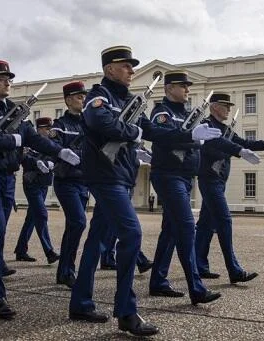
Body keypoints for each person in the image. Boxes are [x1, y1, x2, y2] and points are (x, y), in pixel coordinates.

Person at [69, 46, 221, 336]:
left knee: (97, 241)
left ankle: (80, 302)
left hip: (121, 176)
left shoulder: (128, 100)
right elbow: (102, 124)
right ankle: (126, 311)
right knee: (132, 234)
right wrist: (133, 133)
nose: (131, 70)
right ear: (109, 69)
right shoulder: (98, 98)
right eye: (125, 66)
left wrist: (190, 135)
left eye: (131, 66)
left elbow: (154, 131)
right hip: (105, 176)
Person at [0, 60, 79, 319]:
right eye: (1, 78)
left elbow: (34, 138)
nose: (7, 82)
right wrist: (11, 140)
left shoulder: (16, 111)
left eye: (9, 78)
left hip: (7, 177)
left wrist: (59, 150)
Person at [194, 92, 264, 282]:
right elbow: (212, 147)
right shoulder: (206, 125)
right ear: (214, 107)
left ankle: (199, 265)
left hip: (219, 180)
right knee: (224, 221)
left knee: (206, 224)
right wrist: (236, 150)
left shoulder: (224, 128)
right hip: (209, 178)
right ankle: (234, 270)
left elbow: (245, 143)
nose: (229, 109)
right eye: (225, 106)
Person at [147, 71, 225, 301]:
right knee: (187, 227)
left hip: (184, 177)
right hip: (168, 175)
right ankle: (196, 288)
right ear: (169, 88)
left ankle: (158, 281)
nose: (187, 90)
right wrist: (191, 134)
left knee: (170, 231)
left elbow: (206, 140)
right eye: (183, 86)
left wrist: (240, 149)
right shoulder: (162, 112)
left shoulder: (191, 114)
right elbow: (160, 135)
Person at [49, 81, 90, 288]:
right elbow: (52, 146)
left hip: (84, 181)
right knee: (79, 222)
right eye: (78, 97)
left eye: (84, 96)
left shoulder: (89, 123)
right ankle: (67, 270)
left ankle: (64, 271)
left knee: (74, 225)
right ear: (68, 100)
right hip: (66, 182)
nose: (83, 99)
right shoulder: (60, 125)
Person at [13, 117, 59, 264]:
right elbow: (24, 157)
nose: (49, 131)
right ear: (39, 129)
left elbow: (56, 156)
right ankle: (49, 251)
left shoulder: (51, 143)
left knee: (32, 218)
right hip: (31, 183)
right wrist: (37, 162)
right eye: (46, 129)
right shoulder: (30, 141)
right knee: (41, 214)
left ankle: (21, 250)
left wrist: (50, 163)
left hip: (43, 183)